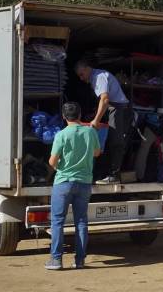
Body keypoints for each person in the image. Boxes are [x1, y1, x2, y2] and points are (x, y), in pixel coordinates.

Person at [45, 102, 101, 270]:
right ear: (80, 114)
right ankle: (80, 260)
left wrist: (59, 166)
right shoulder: (90, 132)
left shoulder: (61, 135)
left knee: (57, 222)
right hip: (84, 183)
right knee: (81, 222)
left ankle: (56, 260)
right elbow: (97, 153)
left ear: (63, 116)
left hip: (63, 183)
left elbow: (52, 161)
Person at [75, 60, 132, 184]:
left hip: (118, 108)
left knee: (116, 142)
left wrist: (96, 120)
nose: (81, 78)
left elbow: (105, 100)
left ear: (87, 68)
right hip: (114, 108)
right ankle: (105, 174)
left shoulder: (98, 77)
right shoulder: (96, 77)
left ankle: (114, 175)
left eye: (81, 74)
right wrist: (95, 115)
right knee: (108, 142)